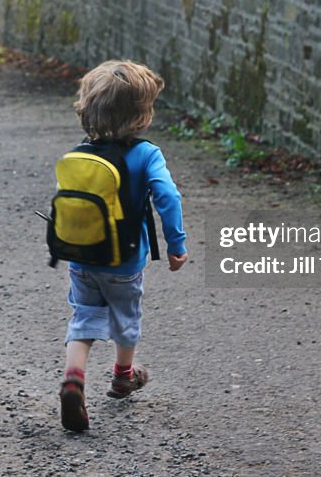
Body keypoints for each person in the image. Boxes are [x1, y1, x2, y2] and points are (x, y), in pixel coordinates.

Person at [58, 59, 188, 433]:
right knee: (124, 319)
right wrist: (176, 244)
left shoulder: (79, 152)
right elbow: (168, 197)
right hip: (124, 262)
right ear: (142, 115)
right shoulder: (146, 154)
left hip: (81, 257)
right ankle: (122, 377)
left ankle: (73, 379)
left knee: (84, 316)